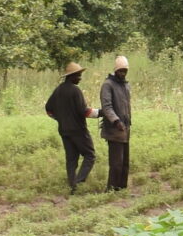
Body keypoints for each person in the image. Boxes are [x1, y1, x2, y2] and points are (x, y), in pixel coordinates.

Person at [44, 61, 97, 194]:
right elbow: (83, 112)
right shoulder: (75, 91)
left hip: (64, 130)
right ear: (71, 76)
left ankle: (72, 185)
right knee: (90, 155)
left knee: (71, 158)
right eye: (78, 75)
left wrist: (59, 119)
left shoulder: (58, 90)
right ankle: (78, 184)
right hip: (78, 130)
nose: (80, 78)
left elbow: (48, 109)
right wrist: (101, 113)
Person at [99, 56, 134, 191]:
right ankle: (111, 189)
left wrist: (126, 123)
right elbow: (107, 107)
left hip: (125, 128)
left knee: (125, 162)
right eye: (120, 71)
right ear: (115, 70)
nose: (123, 73)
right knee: (116, 163)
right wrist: (116, 121)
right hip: (114, 129)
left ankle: (122, 188)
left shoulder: (125, 85)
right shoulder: (107, 85)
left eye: (125, 71)